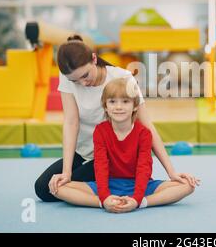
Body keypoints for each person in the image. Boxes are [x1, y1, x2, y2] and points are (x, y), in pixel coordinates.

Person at [34, 35, 198, 202]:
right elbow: (71, 122)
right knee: (43, 188)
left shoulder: (123, 78)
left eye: (85, 76)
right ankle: (102, 195)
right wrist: (66, 172)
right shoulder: (68, 76)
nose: (82, 83)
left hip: (112, 155)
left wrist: (171, 171)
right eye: (74, 80)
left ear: (94, 59)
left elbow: (146, 124)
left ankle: (110, 194)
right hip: (84, 152)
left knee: (59, 187)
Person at [53, 78, 195, 212]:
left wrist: (137, 199)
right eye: (113, 101)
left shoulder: (143, 133)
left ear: (134, 106)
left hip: (140, 185)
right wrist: (104, 197)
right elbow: (100, 166)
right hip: (109, 184)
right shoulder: (101, 131)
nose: (119, 107)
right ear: (105, 106)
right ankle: (100, 203)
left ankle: (145, 202)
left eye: (125, 101)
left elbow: (144, 167)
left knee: (188, 186)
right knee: (57, 188)